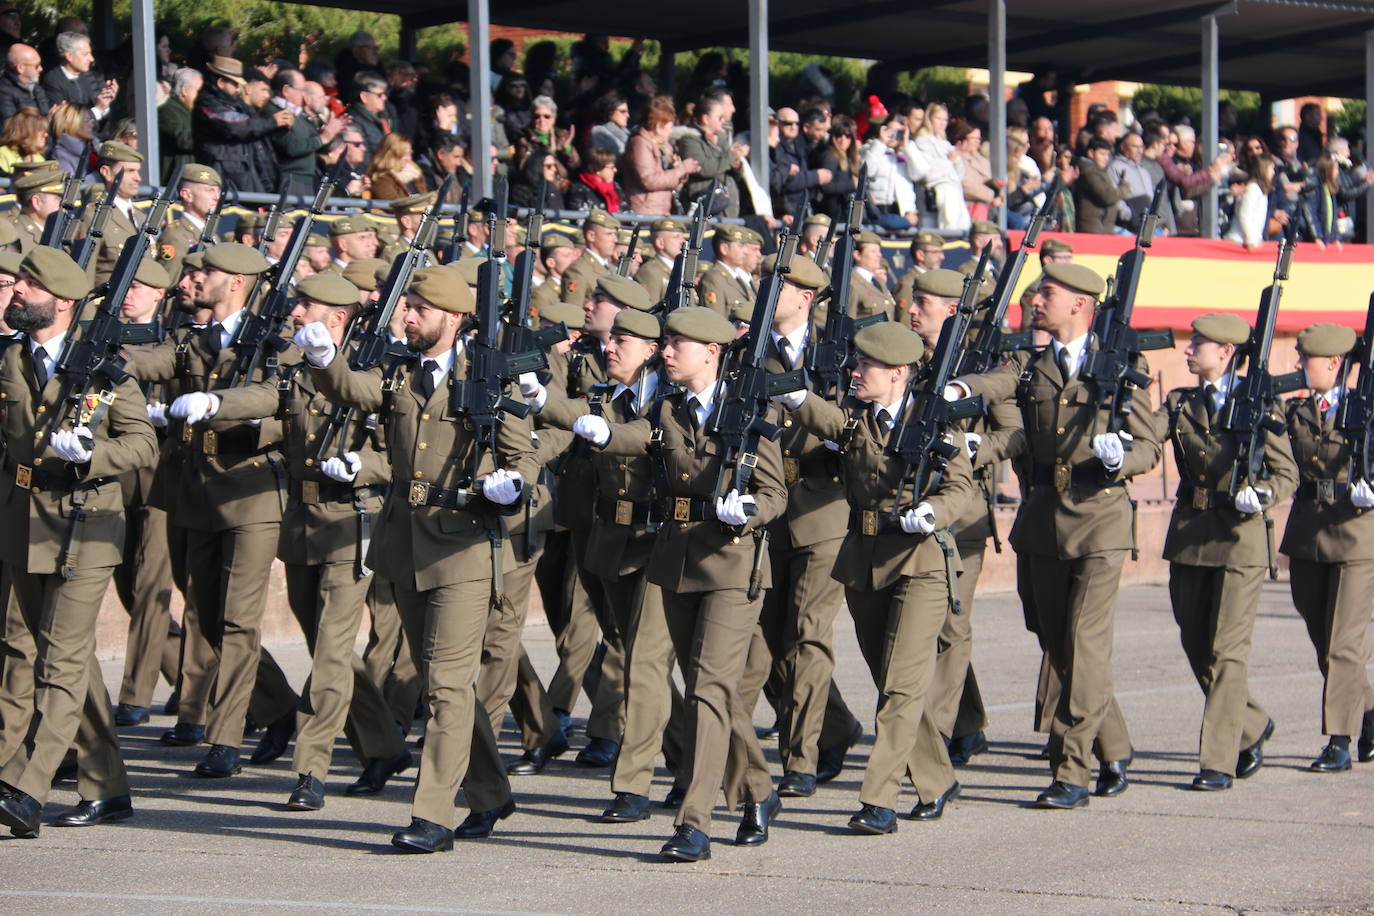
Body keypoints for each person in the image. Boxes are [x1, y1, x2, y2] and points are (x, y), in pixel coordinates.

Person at [296, 265, 536, 853]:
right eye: (407, 307)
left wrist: (514, 484)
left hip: (464, 548)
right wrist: (326, 360)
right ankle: (490, 791)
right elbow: (354, 390)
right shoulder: (400, 371)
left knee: (448, 686)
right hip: (404, 543)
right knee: (440, 682)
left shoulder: (488, 377)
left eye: (419, 310)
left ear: (452, 318)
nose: (406, 316)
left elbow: (524, 453)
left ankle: (432, 813)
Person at [569, 305, 786, 862]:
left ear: (712, 352)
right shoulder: (667, 406)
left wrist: (749, 509)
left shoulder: (748, 409)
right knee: (703, 690)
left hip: (732, 564)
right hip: (675, 561)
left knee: (710, 689)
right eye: (664, 343)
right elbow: (638, 437)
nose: (664, 352)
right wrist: (600, 434)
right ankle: (759, 788)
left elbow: (776, 493)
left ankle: (695, 822)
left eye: (677, 345)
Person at [949, 261, 1161, 809]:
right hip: (1042, 522)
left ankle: (1072, 769)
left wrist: (1122, 458)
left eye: (1048, 291)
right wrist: (960, 388)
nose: (1035, 298)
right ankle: (1113, 743)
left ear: (1081, 305)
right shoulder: (1029, 363)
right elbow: (999, 389)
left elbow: (1148, 445)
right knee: (1055, 639)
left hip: (1100, 521)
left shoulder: (1118, 366)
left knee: (1085, 645)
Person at [775, 319, 972, 833]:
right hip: (863, 560)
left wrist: (933, 511)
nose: (856, 371)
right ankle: (936, 778)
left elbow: (960, 486)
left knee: (902, 688)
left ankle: (878, 799)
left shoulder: (934, 422)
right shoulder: (861, 419)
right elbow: (832, 424)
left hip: (920, 564)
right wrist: (797, 398)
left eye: (866, 365)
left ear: (899, 372)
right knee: (890, 680)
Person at [127, 243, 302, 779]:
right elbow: (150, 360)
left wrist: (220, 409)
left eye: (209, 271)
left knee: (237, 618)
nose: (195, 277)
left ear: (240, 283)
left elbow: (279, 402)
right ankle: (278, 707)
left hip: (250, 494)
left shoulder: (278, 341)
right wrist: (107, 354)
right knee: (204, 614)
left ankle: (224, 738)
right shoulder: (190, 337)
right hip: (193, 491)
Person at [0, 246, 157, 838]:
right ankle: (107, 786)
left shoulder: (106, 369)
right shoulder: (11, 358)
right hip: (24, 522)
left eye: (26, 286)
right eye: (16, 283)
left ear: (62, 302)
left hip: (86, 526)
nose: (16, 292)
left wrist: (95, 455)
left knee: (59, 662)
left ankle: (27, 783)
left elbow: (143, 444)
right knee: (60, 657)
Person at [1158, 313, 1296, 791]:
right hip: (1191, 535)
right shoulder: (1180, 401)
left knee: (1227, 650)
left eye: (1199, 343)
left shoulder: (1259, 404)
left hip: (1241, 540)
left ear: (1226, 353)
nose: (1189, 349)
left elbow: (1286, 473)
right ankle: (1253, 723)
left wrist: (1263, 494)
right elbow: (1146, 436)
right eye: (1191, 339)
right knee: (1197, 646)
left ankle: (1217, 760)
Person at [1281, 323, 1374, 773]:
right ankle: (1370, 711)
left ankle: (1339, 739)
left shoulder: (1367, 409)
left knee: (1344, 642)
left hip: (1357, 534)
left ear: (1334, 363)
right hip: (1307, 534)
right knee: (1323, 638)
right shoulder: (1295, 411)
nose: (1300, 365)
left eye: (1307, 359)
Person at [193, 56, 292, 194]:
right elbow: (235, 126)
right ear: (221, 82)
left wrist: (279, 127)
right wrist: (273, 121)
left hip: (242, 178)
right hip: (223, 179)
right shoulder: (208, 103)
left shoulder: (233, 103)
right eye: (235, 84)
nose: (238, 90)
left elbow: (253, 130)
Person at [622, 95, 698, 216]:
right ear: (658, 126)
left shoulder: (664, 146)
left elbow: (670, 178)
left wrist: (683, 172)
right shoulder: (639, 143)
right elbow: (649, 180)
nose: (670, 131)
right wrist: (681, 169)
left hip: (663, 209)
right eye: (669, 127)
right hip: (645, 211)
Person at [677, 92, 745, 218]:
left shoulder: (723, 138)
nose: (723, 121)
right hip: (706, 208)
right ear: (706, 119)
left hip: (729, 208)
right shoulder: (689, 140)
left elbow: (735, 173)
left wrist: (738, 162)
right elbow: (704, 168)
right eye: (719, 118)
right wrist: (731, 157)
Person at [40, 31, 115, 136]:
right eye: (85, 54)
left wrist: (105, 103)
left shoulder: (87, 77)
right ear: (69, 56)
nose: (91, 59)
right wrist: (98, 109)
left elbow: (100, 123)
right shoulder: (53, 81)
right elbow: (64, 124)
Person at [913, 102, 968, 231]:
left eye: (945, 119)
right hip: (932, 199)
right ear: (929, 118)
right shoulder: (922, 142)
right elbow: (927, 173)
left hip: (954, 196)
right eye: (938, 119)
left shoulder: (945, 144)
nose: (942, 123)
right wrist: (949, 161)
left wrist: (957, 160)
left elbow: (958, 176)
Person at [561, 208, 619, 305]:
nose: (615, 240)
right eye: (609, 234)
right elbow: (573, 312)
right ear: (591, 236)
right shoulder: (578, 270)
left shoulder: (612, 267)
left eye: (615, 234)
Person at [1073, 138, 1126, 235]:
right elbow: (1107, 196)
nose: (1106, 158)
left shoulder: (1099, 171)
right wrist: (1124, 189)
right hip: (1093, 229)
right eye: (1102, 154)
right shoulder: (1088, 172)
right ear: (1091, 153)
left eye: (1107, 155)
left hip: (1103, 228)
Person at [812, 114, 859, 220]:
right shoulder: (829, 156)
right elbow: (826, 186)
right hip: (831, 213)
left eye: (847, 136)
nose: (843, 140)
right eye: (839, 135)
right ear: (833, 137)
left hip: (842, 211)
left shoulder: (849, 158)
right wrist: (852, 184)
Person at [158, 67, 202, 178]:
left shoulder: (192, 112)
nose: (203, 97)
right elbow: (181, 139)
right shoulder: (166, 110)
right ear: (185, 90)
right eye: (199, 91)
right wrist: (208, 137)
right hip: (175, 179)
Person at [953, 119, 1000, 223]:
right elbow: (966, 185)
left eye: (979, 139)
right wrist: (992, 196)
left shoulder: (982, 159)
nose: (977, 142)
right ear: (963, 139)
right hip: (971, 206)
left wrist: (998, 195)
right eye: (973, 139)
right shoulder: (957, 157)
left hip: (991, 204)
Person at [367, 133, 428, 201]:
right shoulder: (380, 179)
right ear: (392, 156)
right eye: (404, 154)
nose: (409, 159)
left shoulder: (414, 174)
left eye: (409, 154)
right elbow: (395, 206)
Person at [565, 146, 623, 213]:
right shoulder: (578, 190)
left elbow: (627, 213)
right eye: (612, 167)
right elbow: (579, 218)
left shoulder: (616, 187)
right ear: (598, 169)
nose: (615, 170)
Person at [0, 43, 48, 121]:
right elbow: (11, 126)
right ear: (20, 68)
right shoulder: (3, 91)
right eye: (37, 66)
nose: (41, 69)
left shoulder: (36, 87)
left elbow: (45, 112)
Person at [49, 101, 94, 176]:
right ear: (71, 123)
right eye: (86, 121)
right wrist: (99, 177)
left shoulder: (93, 149)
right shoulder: (61, 156)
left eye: (91, 120)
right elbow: (67, 186)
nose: (91, 125)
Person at [0, 106, 47, 175]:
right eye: (40, 130)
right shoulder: (3, 154)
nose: (46, 135)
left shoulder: (39, 158)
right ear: (26, 132)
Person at [587, 90, 631, 159]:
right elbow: (602, 161)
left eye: (627, 112)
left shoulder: (627, 132)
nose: (628, 115)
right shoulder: (599, 132)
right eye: (622, 111)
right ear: (610, 111)